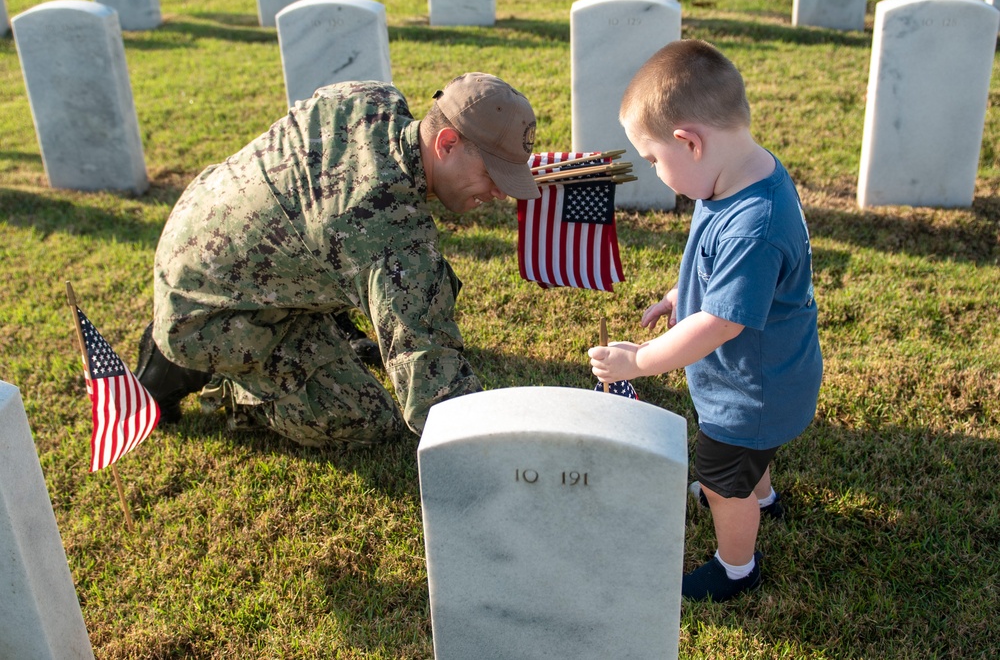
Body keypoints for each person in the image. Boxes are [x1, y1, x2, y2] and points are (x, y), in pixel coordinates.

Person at [136, 73, 540, 448]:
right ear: (447, 143)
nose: (500, 193)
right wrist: (505, 449)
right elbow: (436, 392)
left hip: (199, 225)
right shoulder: (390, 234)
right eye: (492, 174)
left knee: (385, 272)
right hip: (211, 308)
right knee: (365, 417)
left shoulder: (374, 98)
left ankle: (318, 320)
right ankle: (212, 377)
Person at [588, 40, 822, 602]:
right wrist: (679, 292)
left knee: (722, 479)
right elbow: (721, 271)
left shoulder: (753, 223)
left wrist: (639, 360)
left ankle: (736, 567)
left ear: (688, 142)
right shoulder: (739, 173)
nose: (657, 175)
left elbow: (721, 324)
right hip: (770, 376)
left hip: (751, 391)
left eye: (653, 160)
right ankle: (763, 497)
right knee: (746, 459)